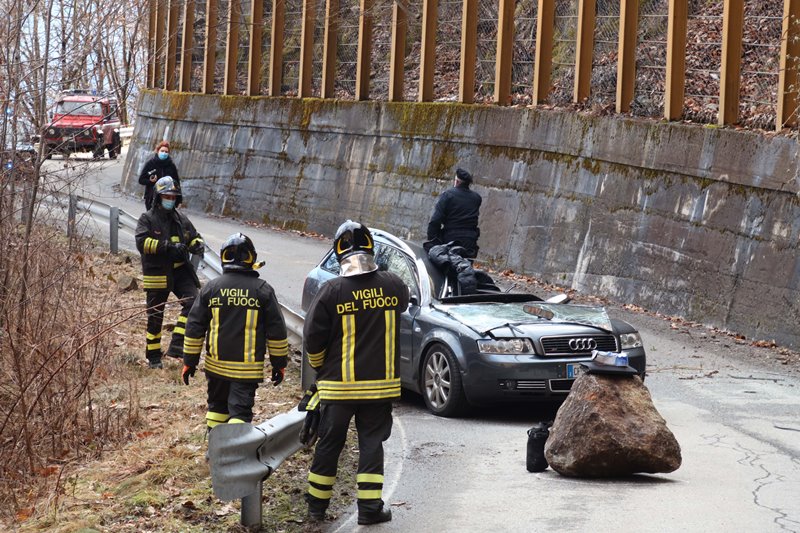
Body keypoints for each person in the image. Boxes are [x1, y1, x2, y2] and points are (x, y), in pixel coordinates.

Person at [301, 220, 409, 525]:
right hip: (379, 388)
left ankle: (316, 510)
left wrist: (321, 367)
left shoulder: (331, 290)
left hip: (339, 388)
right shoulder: (393, 285)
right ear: (371, 247)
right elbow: (403, 302)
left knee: (329, 445)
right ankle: (370, 509)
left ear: (338, 253)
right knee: (372, 445)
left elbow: (313, 338)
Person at [181, 233, 288, 428]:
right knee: (240, 412)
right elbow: (277, 333)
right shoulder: (262, 290)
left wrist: (190, 361)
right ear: (252, 258)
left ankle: (214, 452)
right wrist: (279, 364)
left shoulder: (211, 289)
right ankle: (235, 454)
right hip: (246, 371)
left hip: (216, 367)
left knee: (216, 409)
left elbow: (195, 327)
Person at [135, 176, 204, 369]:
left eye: (173, 197)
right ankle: (154, 357)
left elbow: (194, 237)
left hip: (180, 271)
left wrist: (196, 245)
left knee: (194, 303)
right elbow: (142, 243)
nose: (170, 200)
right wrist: (167, 247)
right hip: (157, 273)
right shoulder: (147, 219)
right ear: (158, 197)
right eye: (167, 196)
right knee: (155, 316)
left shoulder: (181, 219)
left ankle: (176, 346)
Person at [425, 167, 482, 258]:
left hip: (451, 240)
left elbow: (436, 220)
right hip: (470, 242)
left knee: (446, 268)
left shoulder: (448, 195)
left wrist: (432, 241)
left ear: (457, 182)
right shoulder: (477, 198)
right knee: (465, 269)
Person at [138, 140, 180, 210]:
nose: (164, 153)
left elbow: (177, 183)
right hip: (152, 198)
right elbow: (141, 180)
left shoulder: (171, 166)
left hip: (167, 199)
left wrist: (179, 200)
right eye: (162, 151)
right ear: (158, 151)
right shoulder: (150, 164)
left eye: (166, 152)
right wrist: (150, 181)